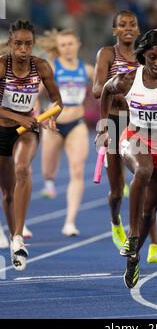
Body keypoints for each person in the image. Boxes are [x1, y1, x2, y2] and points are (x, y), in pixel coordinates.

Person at [95, 30, 157, 288]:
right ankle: (133, 236)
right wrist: (104, 126)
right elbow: (105, 90)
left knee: (150, 211)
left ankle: (134, 257)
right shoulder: (127, 80)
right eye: (152, 57)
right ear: (143, 56)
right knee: (143, 170)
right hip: (134, 135)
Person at [93, 10, 157, 262]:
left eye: (132, 24)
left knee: (145, 180)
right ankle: (115, 220)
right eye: (122, 25)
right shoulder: (107, 53)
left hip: (139, 122)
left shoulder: (144, 54)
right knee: (116, 191)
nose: (128, 28)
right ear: (115, 31)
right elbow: (97, 90)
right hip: (112, 122)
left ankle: (154, 244)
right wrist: (120, 88)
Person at [0, 19, 63, 270]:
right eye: (18, 44)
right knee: (7, 192)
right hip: (2, 129)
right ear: (10, 44)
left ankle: (17, 238)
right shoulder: (2, 67)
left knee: (22, 169)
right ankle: (13, 235)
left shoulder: (41, 67)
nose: (23, 49)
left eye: (28, 44)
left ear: (33, 44)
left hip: (27, 131)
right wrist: (19, 117)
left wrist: (51, 115)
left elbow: (57, 99)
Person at [39, 29, 94, 236]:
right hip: (53, 125)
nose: (68, 48)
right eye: (63, 45)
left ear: (78, 44)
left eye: (71, 43)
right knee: (47, 171)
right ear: (58, 47)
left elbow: (102, 90)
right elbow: (35, 94)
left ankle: (70, 221)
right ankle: (49, 182)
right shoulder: (52, 68)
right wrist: (40, 114)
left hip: (77, 124)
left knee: (77, 170)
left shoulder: (87, 70)